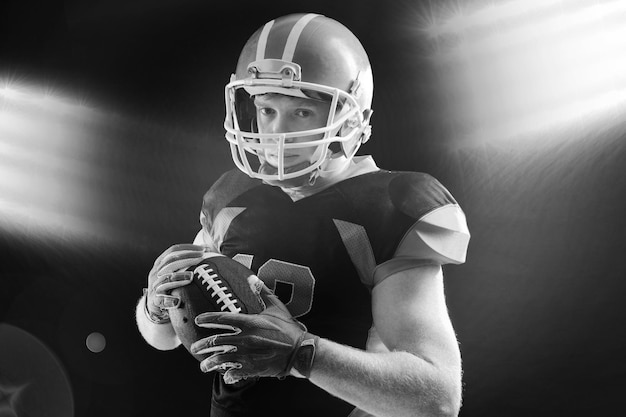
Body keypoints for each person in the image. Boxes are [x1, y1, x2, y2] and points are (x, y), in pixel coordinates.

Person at [136, 13, 470, 417]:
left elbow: (436, 397)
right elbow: (166, 338)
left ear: (353, 118)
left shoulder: (389, 206)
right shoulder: (233, 195)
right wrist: (155, 305)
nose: (277, 133)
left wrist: (302, 354)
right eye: (267, 109)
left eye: (302, 113)